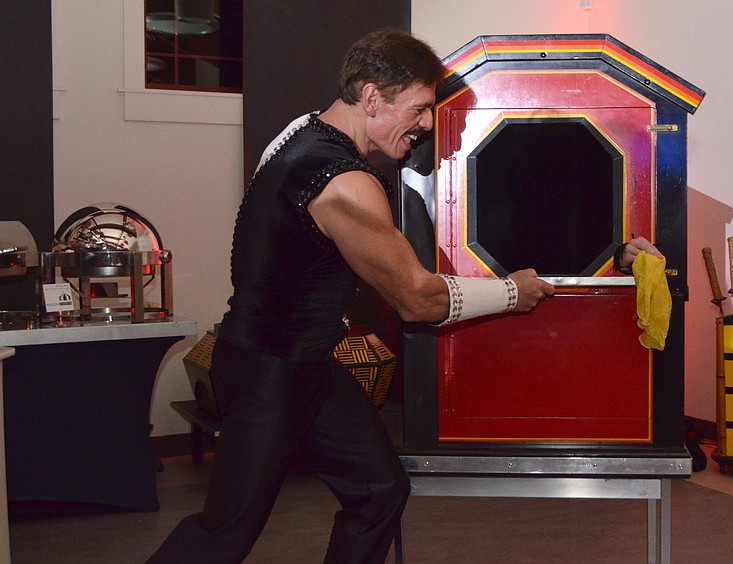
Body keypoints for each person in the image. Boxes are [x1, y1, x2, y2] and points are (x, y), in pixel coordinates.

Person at [148, 29, 658, 564]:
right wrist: (511, 292)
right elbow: (418, 301)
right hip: (267, 371)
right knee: (224, 532)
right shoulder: (346, 183)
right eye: (418, 108)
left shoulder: (298, 132)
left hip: (304, 364)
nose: (427, 124)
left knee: (379, 490)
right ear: (371, 98)